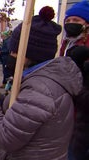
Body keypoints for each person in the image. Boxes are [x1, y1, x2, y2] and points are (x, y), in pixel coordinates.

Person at [0, 6, 83, 160]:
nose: (11, 54)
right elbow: (25, 112)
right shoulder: (41, 80)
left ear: (28, 53)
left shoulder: (40, 89)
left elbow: (6, 137)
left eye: (14, 50)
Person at [60, 1, 89, 159]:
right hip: (69, 110)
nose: (71, 24)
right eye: (68, 21)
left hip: (83, 117)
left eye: (76, 21)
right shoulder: (66, 43)